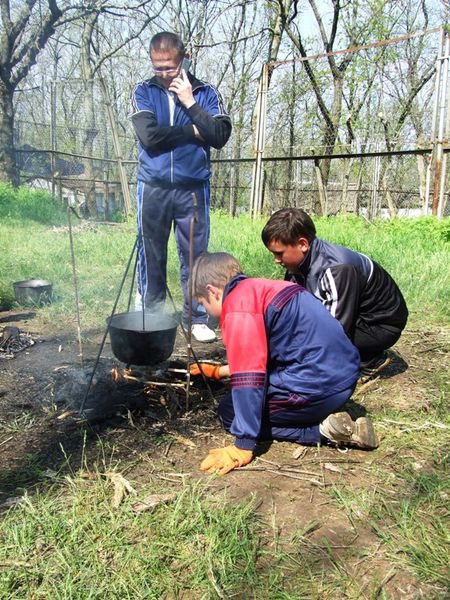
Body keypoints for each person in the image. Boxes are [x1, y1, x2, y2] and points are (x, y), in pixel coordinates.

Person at [189, 252, 378, 476]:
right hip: (342, 374)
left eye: (202, 303)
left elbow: (250, 377)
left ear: (212, 290)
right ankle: (322, 418)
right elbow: (273, 349)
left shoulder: (238, 307)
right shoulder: (262, 288)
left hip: (320, 387)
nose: (207, 312)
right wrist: (220, 372)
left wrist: (243, 443)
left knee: (230, 412)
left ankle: (321, 432)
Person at [129, 31, 232, 342]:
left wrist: (189, 102)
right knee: (152, 252)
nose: (162, 74)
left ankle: (197, 316)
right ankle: (151, 311)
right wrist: (192, 130)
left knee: (195, 257)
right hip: (153, 187)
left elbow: (219, 136)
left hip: (192, 189)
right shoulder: (143, 91)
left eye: (169, 68)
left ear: (183, 59)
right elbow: (150, 138)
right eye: (157, 67)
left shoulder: (206, 93)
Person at [261, 208, 408, 381]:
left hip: (378, 326)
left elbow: (334, 329)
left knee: (313, 347)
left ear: (302, 244)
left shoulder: (337, 269)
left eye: (279, 253)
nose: (276, 260)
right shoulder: (296, 263)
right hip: (353, 315)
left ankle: (368, 359)